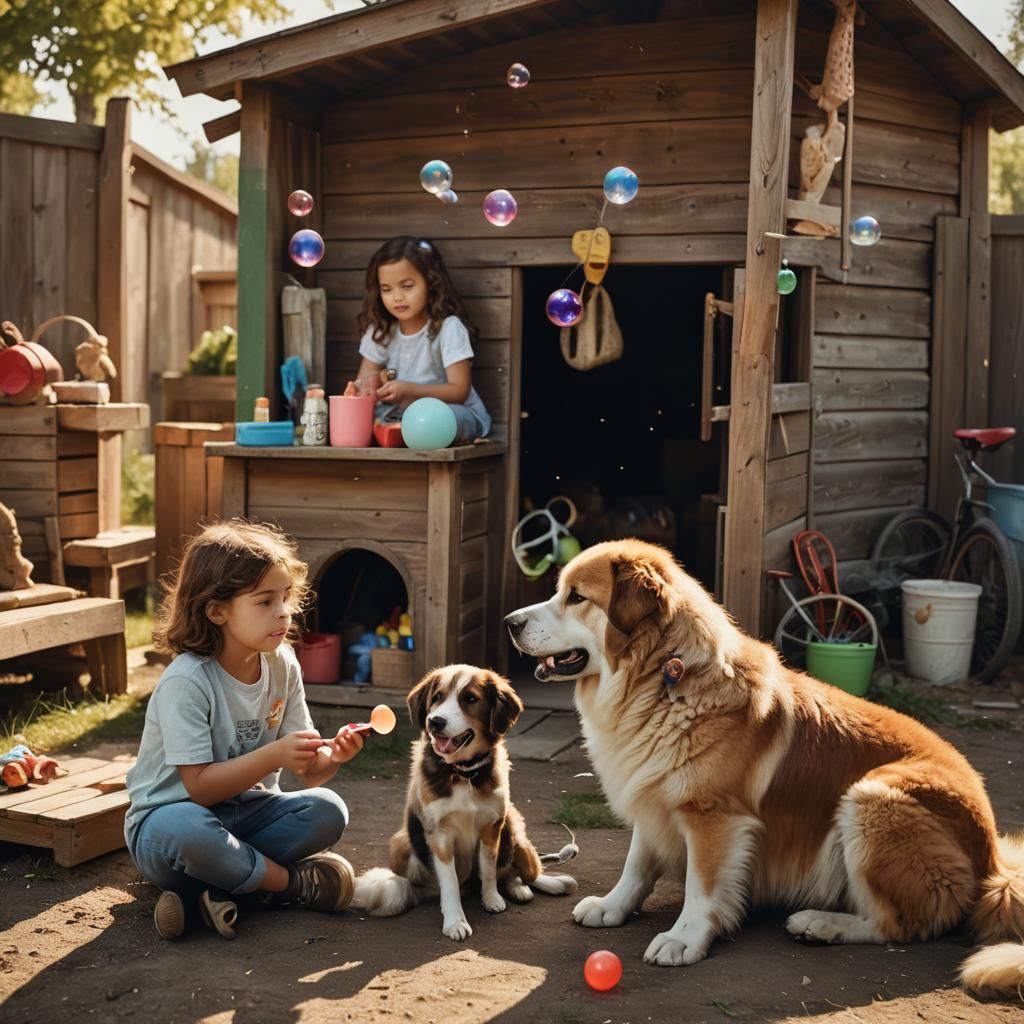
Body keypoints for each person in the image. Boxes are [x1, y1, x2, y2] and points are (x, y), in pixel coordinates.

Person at [124, 519, 364, 940]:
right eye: (264, 601)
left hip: (248, 815)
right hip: (168, 828)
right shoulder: (187, 681)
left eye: (286, 597)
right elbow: (198, 789)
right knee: (187, 828)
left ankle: (204, 891)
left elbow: (309, 772)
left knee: (328, 809)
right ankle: (293, 885)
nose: (284, 612)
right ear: (217, 610)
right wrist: (273, 755)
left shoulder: (282, 663)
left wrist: (333, 756)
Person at [344, 236, 491, 444]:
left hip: (452, 412)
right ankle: (402, 433)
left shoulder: (449, 328)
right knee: (370, 418)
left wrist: (409, 391)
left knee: (434, 420)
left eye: (407, 286)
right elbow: (364, 383)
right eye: (387, 289)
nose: (397, 297)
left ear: (430, 283)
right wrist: (366, 387)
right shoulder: (381, 331)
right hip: (403, 415)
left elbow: (459, 390)